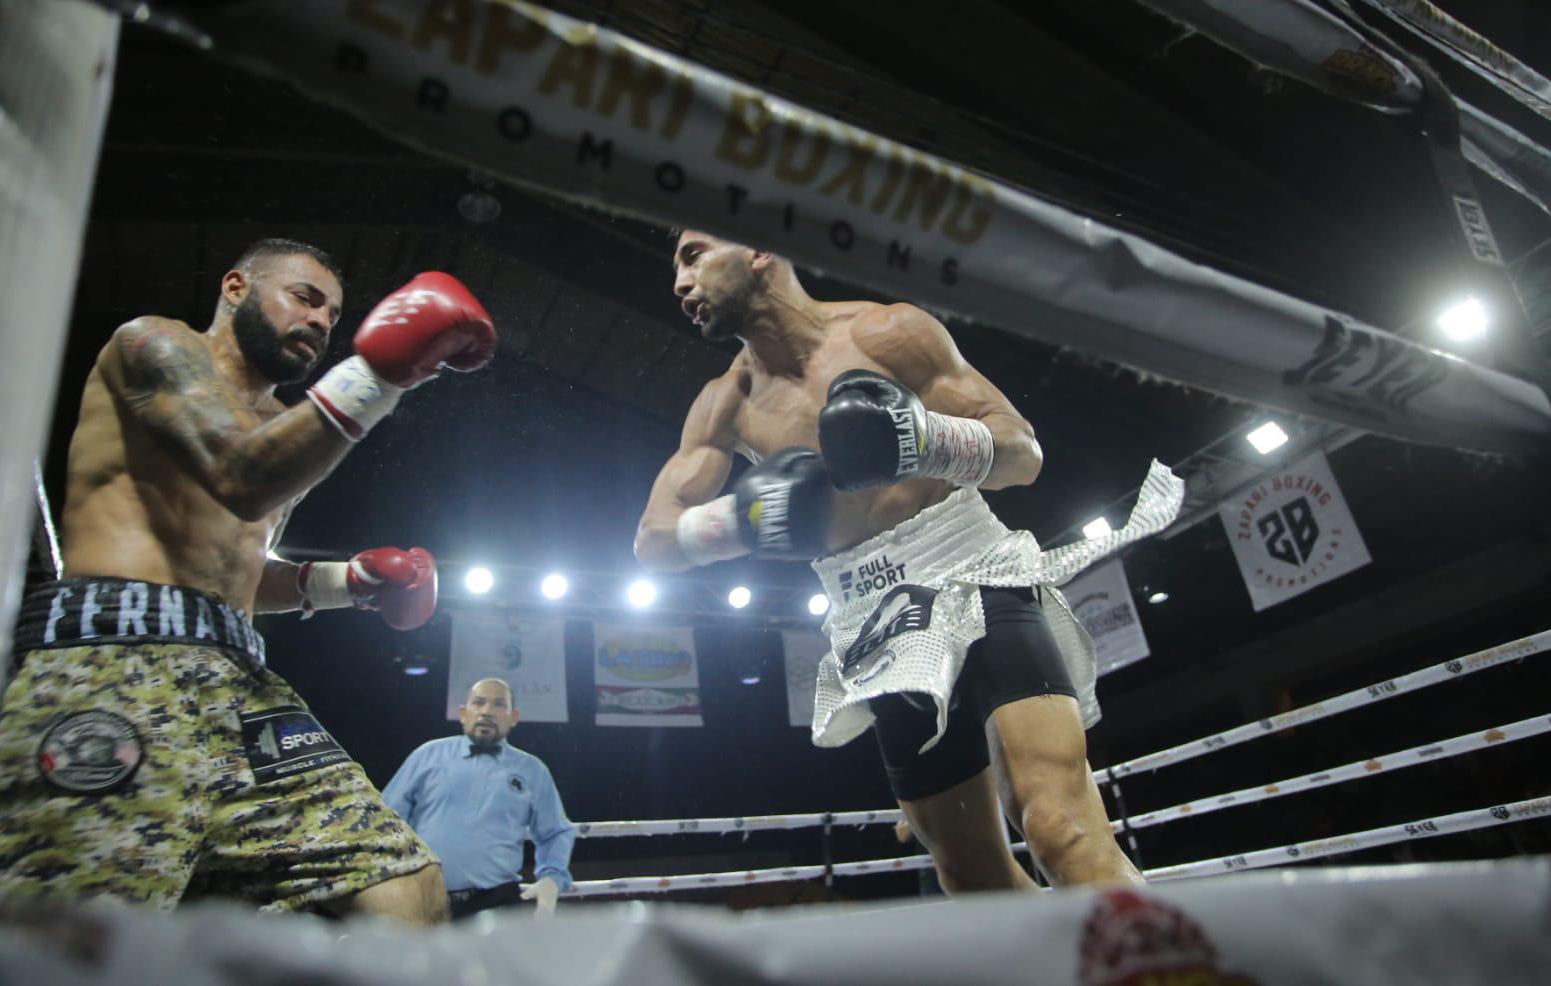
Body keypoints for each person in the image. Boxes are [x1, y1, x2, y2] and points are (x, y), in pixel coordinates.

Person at [0, 239, 497, 923]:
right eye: (304, 298)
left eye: (333, 316)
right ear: (237, 287)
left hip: (240, 678)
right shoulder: (153, 345)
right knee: (67, 941)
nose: (320, 323)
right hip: (115, 663)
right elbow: (237, 475)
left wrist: (350, 582)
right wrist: (380, 373)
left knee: (404, 890)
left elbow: (242, 569)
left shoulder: (286, 428)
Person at [635, 230, 1181, 894]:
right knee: (968, 872)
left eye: (692, 256)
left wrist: (924, 440)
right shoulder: (725, 404)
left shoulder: (885, 333)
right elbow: (654, 542)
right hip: (871, 617)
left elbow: (1023, 454)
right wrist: (739, 521)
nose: (677, 283)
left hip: (971, 569)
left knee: (1058, 827)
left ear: (758, 250)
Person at [383, 678, 575, 919]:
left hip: (497, 901)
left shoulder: (532, 770)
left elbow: (556, 832)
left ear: (514, 717)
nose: (486, 711)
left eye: (498, 704)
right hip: (423, 898)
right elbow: (385, 820)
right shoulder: (427, 756)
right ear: (463, 713)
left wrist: (552, 878)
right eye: (479, 703)